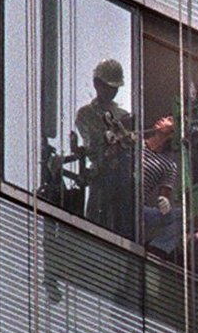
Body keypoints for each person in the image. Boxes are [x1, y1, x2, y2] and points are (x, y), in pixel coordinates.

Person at [75, 58, 135, 237]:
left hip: (122, 176)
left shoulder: (123, 115)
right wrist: (108, 136)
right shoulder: (87, 113)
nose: (112, 92)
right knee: (98, 223)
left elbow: (131, 145)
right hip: (101, 175)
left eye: (115, 88)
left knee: (123, 223)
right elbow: (91, 140)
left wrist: (127, 135)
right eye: (108, 87)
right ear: (96, 84)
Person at [140, 115, 182, 258]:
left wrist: (165, 204)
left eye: (169, 119)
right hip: (119, 196)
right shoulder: (135, 144)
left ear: (173, 133)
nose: (162, 118)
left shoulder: (168, 165)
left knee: (186, 216)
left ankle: (157, 248)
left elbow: (164, 197)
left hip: (138, 209)